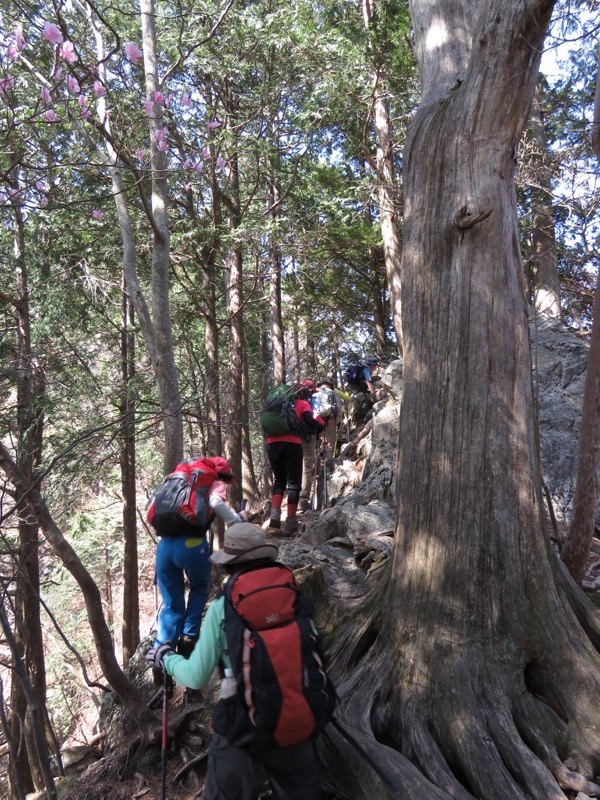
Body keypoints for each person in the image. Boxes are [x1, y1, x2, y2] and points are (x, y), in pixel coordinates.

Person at [146, 524, 323, 800]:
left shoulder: (223, 607)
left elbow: (196, 676)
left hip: (243, 731)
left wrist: (166, 658)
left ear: (229, 564)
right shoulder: (294, 595)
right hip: (298, 724)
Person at [152, 456, 248, 665]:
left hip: (164, 546)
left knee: (171, 605)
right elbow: (215, 502)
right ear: (223, 475)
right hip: (192, 544)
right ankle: (188, 639)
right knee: (199, 588)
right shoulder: (215, 481)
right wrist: (236, 519)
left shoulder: (181, 480)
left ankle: (161, 656)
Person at [267, 380, 323, 532]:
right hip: (292, 443)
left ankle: (275, 516)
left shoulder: (277, 404)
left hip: (271, 443)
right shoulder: (302, 404)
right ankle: (291, 521)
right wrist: (321, 425)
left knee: (279, 480)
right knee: (293, 482)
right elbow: (310, 421)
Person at [313, 376, 344, 460]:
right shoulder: (333, 392)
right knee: (331, 441)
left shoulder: (315, 391)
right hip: (330, 418)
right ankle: (329, 461)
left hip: (316, 419)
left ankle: (316, 461)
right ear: (330, 385)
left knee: (316, 440)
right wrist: (338, 419)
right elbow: (338, 406)